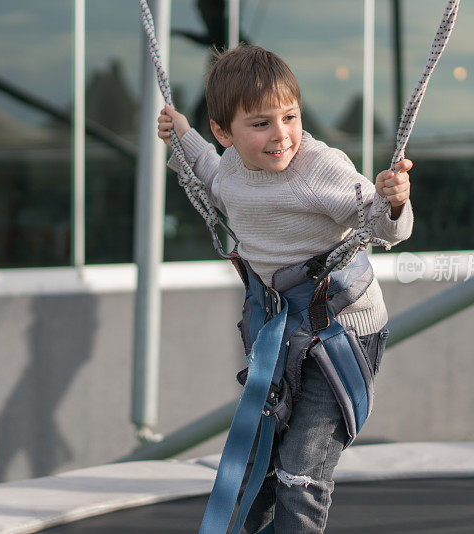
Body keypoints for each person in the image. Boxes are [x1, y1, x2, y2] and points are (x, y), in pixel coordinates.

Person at [157, 44, 413, 533]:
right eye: (260, 125)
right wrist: (183, 137)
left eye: (290, 117)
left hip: (342, 334)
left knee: (301, 469)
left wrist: (394, 201)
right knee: (259, 459)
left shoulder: (320, 169)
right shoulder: (231, 169)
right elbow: (212, 175)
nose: (281, 136)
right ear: (223, 133)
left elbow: (384, 229)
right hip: (279, 332)